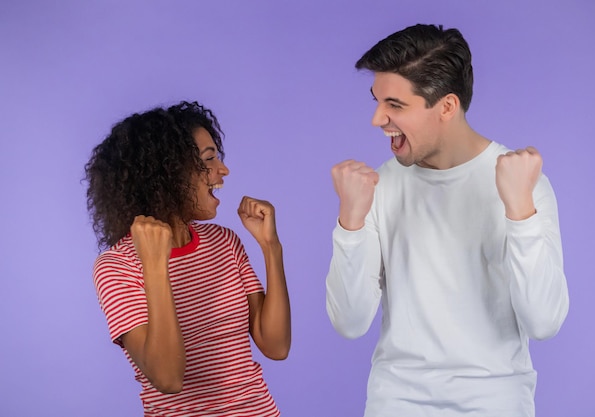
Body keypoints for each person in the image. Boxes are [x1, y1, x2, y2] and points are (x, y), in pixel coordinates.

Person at [326, 24, 569, 417]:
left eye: (395, 105)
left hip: (497, 403)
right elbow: (350, 322)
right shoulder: (379, 186)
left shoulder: (524, 184)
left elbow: (544, 322)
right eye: (376, 101)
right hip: (395, 403)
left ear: (447, 107)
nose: (377, 119)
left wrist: (520, 212)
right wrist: (350, 221)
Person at [85, 101, 290, 417]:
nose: (223, 170)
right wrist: (154, 265)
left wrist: (270, 248)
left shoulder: (224, 242)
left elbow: (276, 346)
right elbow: (167, 377)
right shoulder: (117, 266)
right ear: (165, 173)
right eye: (209, 159)